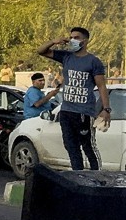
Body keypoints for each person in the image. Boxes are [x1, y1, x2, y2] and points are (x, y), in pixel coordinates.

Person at [37, 27, 112, 171]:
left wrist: (106, 109)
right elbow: (41, 51)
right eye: (71, 37)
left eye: (76, 37)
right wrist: (54, 41)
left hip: (84, 112)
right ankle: (77, 174)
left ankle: (97, 176)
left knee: (88, 145)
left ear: (85, 41)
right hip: (66, 111)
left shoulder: (93, 61)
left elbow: (102, 86)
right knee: (71, 146)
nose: (72, 40)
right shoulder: (66, 56)